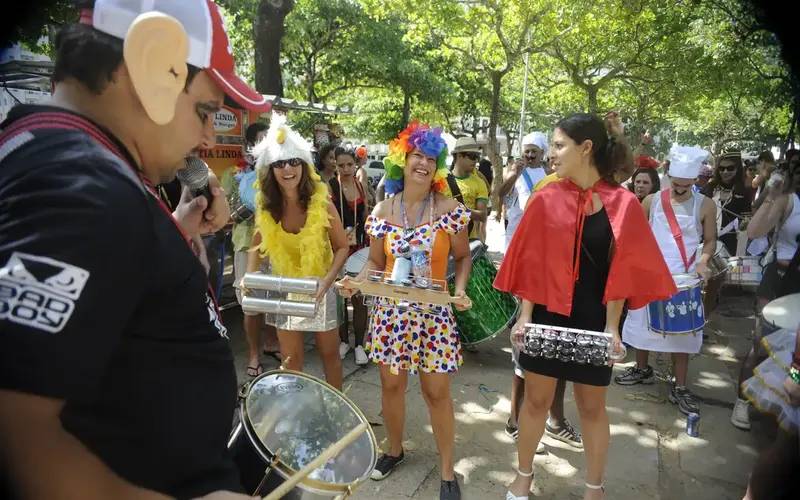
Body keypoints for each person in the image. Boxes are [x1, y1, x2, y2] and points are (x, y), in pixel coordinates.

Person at [0, 1, 270, 498]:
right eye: (205, 111)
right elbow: (16, 429)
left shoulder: (66, 158)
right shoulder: (82, 188)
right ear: (150, 67)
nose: (209, 134)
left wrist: (172, 229)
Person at [496, 112, 675, 500]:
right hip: (545, 312)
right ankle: (523, 477)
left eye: (559, 145)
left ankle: (594, 489)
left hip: (594, 317)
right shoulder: (545, 196)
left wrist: (613, 328)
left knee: (592, 407)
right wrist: (524, 318)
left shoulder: (623, 203)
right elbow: (531, 261)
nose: (552, 154)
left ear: (586, 148)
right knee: (536, 401)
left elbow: (621, 271)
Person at [338, 122, 471, 500]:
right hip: (392, 315)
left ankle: (447, 471)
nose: (423, 164)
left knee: (436, 393)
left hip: (433, 316)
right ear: (402, 160)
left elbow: (462, 259)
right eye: (417, 156)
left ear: (438, 165)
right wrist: (356, 282)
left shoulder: (449, 209)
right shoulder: (382, 210)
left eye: (431, 158)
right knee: (392, 385)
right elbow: (375, 263)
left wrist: (459, 291)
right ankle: (394, 450)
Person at [245, 120, 349, 389]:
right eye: (279, 163)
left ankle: (337, 410)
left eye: (293, 161)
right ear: (271, 169)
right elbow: (256, 244)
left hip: (320, 286)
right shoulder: (267, 207)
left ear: (304, 165)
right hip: (286, 287)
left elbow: (342, 247)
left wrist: (327, 282)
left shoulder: (321, 202)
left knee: (330, 356)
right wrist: (249, 280)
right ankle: (296, 411)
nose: (287, 168)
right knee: (291, 359)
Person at [615, 145, 718, 418]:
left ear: (695, 181)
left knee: (682, 335)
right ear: (669, 177)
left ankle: (680, 384)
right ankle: (641, 368)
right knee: (642, 326)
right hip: (651, 275)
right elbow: (639, 236)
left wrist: (703, 261)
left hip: (684, 277)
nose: (679, 190)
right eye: (676, 184)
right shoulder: (652, 201)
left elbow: (710, 241)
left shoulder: (705, 205)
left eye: (686, 186)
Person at [730, 150, 800, 430]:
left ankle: (784, 399)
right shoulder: (788, 200)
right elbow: (756, 231)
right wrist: (771, 194)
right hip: (780, 280)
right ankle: (743, 401)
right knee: (763, 344)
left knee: (794, 352)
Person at [222, 122, 282, 377]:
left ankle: (272, 343)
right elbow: (225, 216)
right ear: (249, 144)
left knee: (275, 299)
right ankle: (254, 354)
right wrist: (247, 207)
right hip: (248, 244)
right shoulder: (233, 174)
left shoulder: (281, 170)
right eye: (259, 140)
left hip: (276, 244)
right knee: (250, 303)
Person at [330, 146, 369, 365]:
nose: (346, 169)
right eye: (341, 165)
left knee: (360, 297)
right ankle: (343, 341)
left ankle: (360, 344)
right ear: (335, 165)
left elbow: (366, 215)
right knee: (340, 298)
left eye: (349, 165)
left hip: (359, 247)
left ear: (355, 165)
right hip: (337, 247)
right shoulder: (329, 187)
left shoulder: (360, 185)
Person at [496, 132, 549, 251]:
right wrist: (515, 174)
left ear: (542, 153)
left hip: (539, 228)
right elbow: (501, 193)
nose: (530, 155)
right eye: (527, 151)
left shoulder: (548, 172)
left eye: (534, 151)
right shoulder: (516, 170)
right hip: (517, 227)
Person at [702, 152, 752, 256]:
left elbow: (746, 222)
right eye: (721, 168)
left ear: (737, 169)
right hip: (706, 243)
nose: (725, 172)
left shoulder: (743, 191)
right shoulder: (709, 188)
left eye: (730, 168)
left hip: (732, 245)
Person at [448, 136, 489, 241]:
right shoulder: (441, 181)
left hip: (469, 242)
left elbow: (483, 215)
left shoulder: (479, 183)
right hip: (444, 240)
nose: (476, 160)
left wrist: (460, 210)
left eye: (477, 157)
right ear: (459, 156)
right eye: (472, 156)